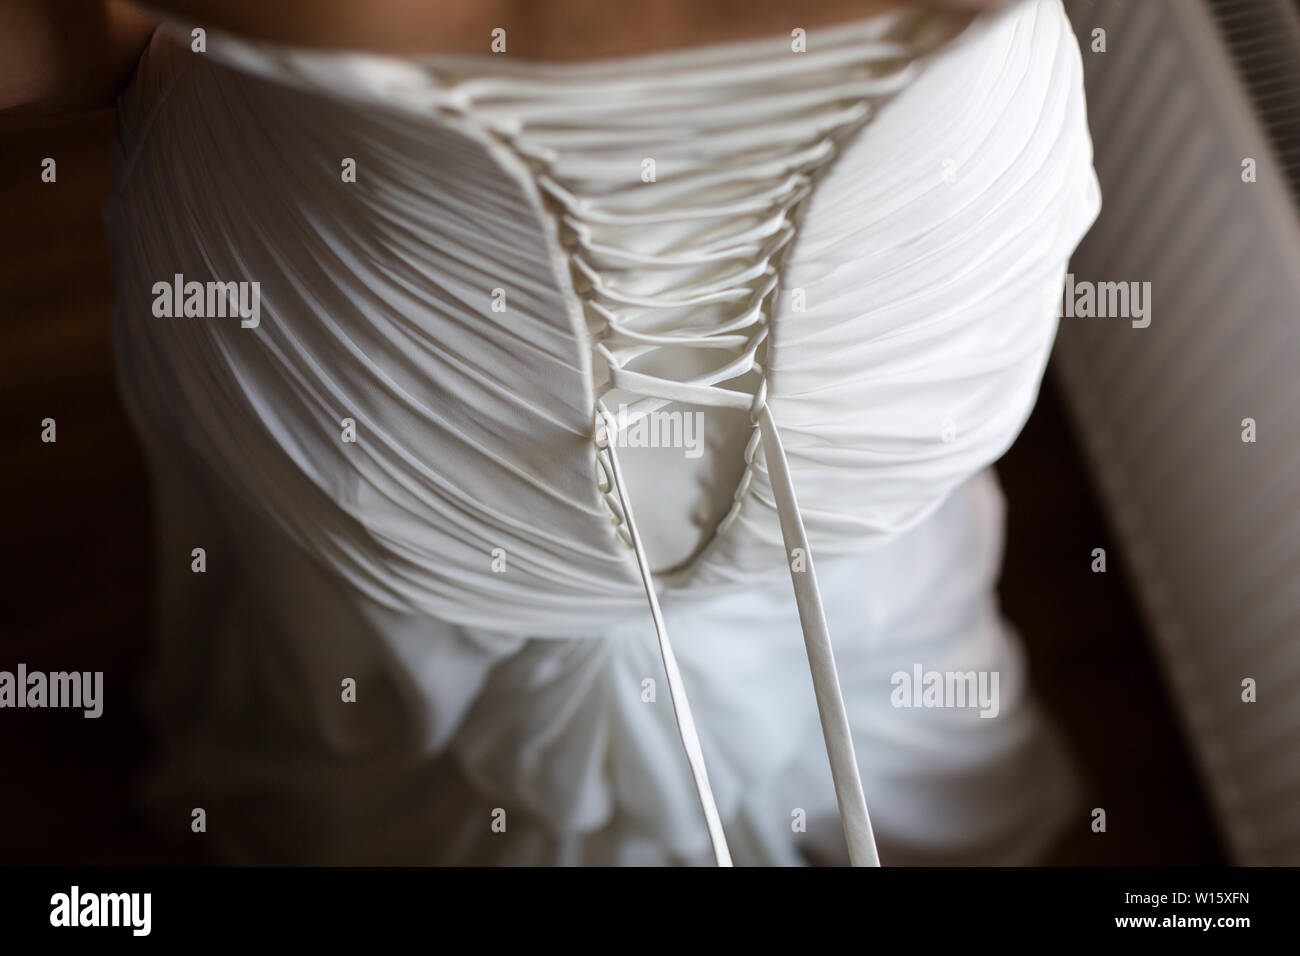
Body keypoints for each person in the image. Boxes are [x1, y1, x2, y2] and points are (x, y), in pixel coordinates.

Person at [4, 0, 1099, 865]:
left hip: (397, 367)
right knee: (866, 557)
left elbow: (44, 44)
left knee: (366, 619)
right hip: (899, 318)